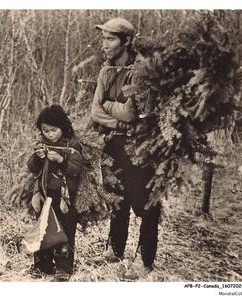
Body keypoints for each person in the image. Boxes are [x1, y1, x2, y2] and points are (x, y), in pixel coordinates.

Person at [91, 17, 161, 271]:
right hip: (113, 143)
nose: (104, 44)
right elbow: (94, 112)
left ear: (127, 41)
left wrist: (108, 104)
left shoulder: (140, 70)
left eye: (110, 39)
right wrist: (117, 118)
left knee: (144, 203)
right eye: (103, 39)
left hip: (138, 147)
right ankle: (115, 251)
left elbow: (132, 112)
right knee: (116, 199)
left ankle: (146, 260)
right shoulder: (106, 70)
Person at [27, 105, 83, 281]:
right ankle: (42, 265)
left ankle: (63, 269)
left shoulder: (72, 144)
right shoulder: (42, 144)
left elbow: (76, 169)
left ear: (63, 127)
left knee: (65, 231)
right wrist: (37, 158)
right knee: (43, 228)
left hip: (65, 197)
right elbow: (32, 167)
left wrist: (60, 160)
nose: (50, 134)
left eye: (54, 130)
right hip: (45, 193)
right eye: (45, 130)